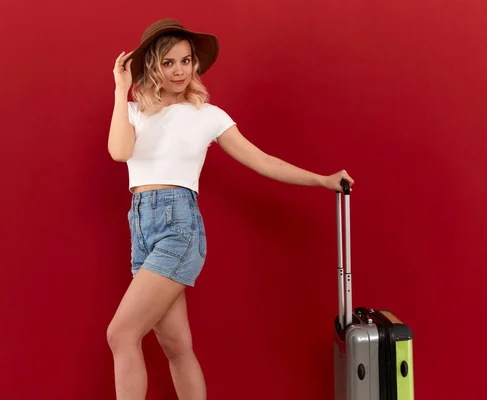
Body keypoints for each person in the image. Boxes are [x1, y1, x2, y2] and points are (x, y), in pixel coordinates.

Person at [106, 18, 354, 400]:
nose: (179, 70)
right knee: (176, 346)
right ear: (153, 66)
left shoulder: (208, 116)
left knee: (121, 333)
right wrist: (122, 90)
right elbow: (120, 152)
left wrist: (320, 180)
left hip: (178, 228)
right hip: (141, 226)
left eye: (186, 61)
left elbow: (264, 161)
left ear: (195, 65)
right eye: (169, 63)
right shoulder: (136, 111)